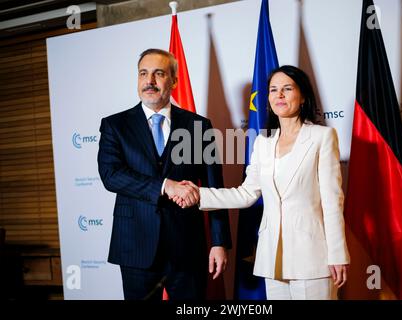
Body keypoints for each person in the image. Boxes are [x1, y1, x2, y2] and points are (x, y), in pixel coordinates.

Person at [173, 65, 350, 300]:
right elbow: (246, 194)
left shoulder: (322, 137)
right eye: (273, 90)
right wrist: (197, 194)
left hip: (313, 256)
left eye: (287, 88)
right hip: (272, 258)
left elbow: (332, 201)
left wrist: (337, 254)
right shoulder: (262, 144)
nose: (279, 95)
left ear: (303, 95)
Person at [97, 48, 231, 300]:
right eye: (143, 73)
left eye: (158, 73)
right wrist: (165, 185)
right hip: (135, 247)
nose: (149, 81)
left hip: (187, 247)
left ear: (174, 81)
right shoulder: (115, 125)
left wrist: (219, 241)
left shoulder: (199, 126)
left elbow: (216, 189)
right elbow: (111, 174)